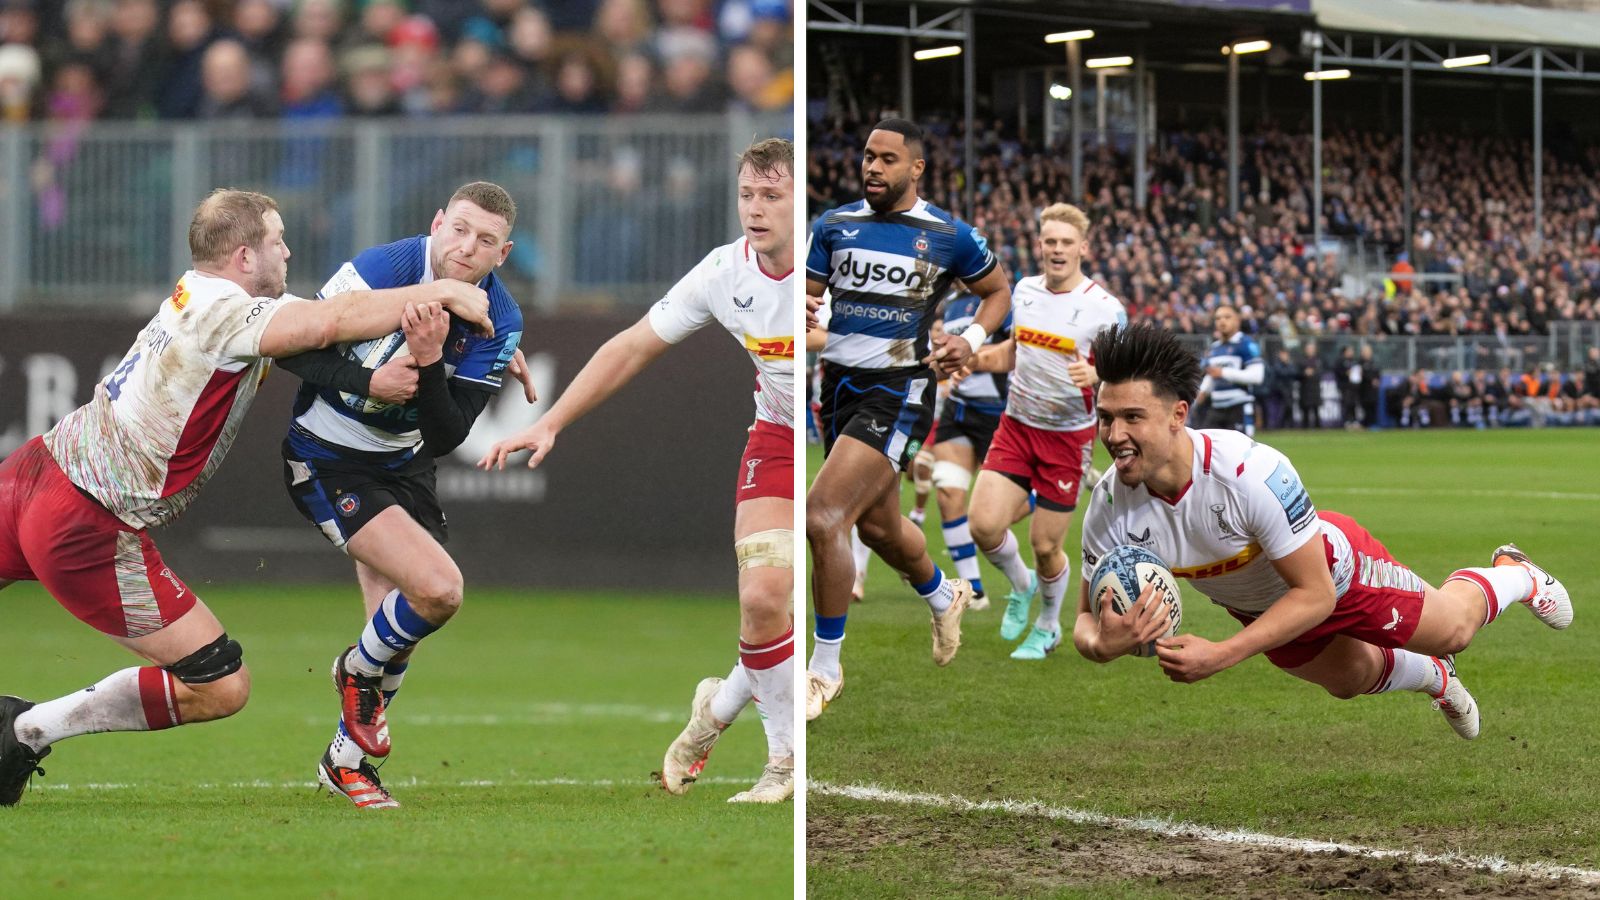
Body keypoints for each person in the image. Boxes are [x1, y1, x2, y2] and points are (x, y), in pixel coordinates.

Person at [0, 189, 491, 805]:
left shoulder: (196, 292)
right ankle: (26, 730)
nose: (287, 251)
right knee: (221, 686)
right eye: (277, 240)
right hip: (85, 520)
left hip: (31, 470)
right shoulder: (224, 313)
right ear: (242, 256)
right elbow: (330, 322)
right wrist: (440, 293)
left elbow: (318, 328)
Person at [479, 138, 796, 803]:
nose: (756, 209)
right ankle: (783, 762)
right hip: (780, 437)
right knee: (765, 598)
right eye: (747, 194)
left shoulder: (834, 270)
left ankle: (716, 710)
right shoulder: (722, 272)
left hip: (855, 437)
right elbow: (631, 347)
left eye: (773, 195)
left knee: (820, 607)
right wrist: (551, 420)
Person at [1072, 323, 1571, 741]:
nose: (1114, 436)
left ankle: (1515, 574)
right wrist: (1104, 645)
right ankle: (1436, 679)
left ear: (1178, 414)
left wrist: (1222, 654)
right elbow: (1083, 625)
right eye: (1106, 418)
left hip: (1334, 572)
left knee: (1454, 632)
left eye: (1132, 417)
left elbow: (1315, 595)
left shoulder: (1250, 472)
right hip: (1258, 608)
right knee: (1350, 680)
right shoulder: (1110, 506)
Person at [271, 182, 526, 809]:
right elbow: (287, 346)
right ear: (436, 222)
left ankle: (346, 763)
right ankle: (354, 671)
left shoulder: (502, 317)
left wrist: (431, 361)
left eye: (486, 240)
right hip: (326, 457)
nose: (467, 248)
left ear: (504, 253)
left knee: (392, 626)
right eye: (459, 229)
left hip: (405, 465)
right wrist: (368, 379)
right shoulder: (384, 267)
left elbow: (446, 435)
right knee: (438, 591)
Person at [804, 118, 1011, 721]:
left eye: (887, 158)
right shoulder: (834, 226)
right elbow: (809, 303)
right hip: (837, 390)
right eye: (867, 155)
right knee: (877, 529)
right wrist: (800, 304)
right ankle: (944, 594)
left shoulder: (948, 234)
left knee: (822, 516)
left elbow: (999, 292)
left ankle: (824, 668)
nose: (872, 167)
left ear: (915, 168)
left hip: (898, 391)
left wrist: (971, 338)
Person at [965, 203, 1125, 661]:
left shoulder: (1105, 308)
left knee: (1045, 543)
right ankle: (1021, 584)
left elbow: (1127, 369)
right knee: (983, 524)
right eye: (1049, 241)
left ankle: (1049, 625)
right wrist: (970, 359)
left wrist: (1098, 377)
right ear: (1040, 245)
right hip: (1016, 426)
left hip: (1067, 437)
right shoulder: (1024, 291)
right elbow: (1011, 353)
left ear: (1082, 248)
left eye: (1066, 243)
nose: (1057, 250)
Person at [1195, 305, 1263, 437]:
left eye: (1227, 317)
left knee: (1239, 454)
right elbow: (1211, 374)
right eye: (1218, 318)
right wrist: (1202, 392)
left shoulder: (1247, 344)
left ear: (1237, 320)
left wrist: (1223, 372)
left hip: (1239, 406)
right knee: (1208, 451)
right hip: (1216, 407)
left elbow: (1257, 376)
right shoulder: (1214, 348)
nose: (1222, 321)